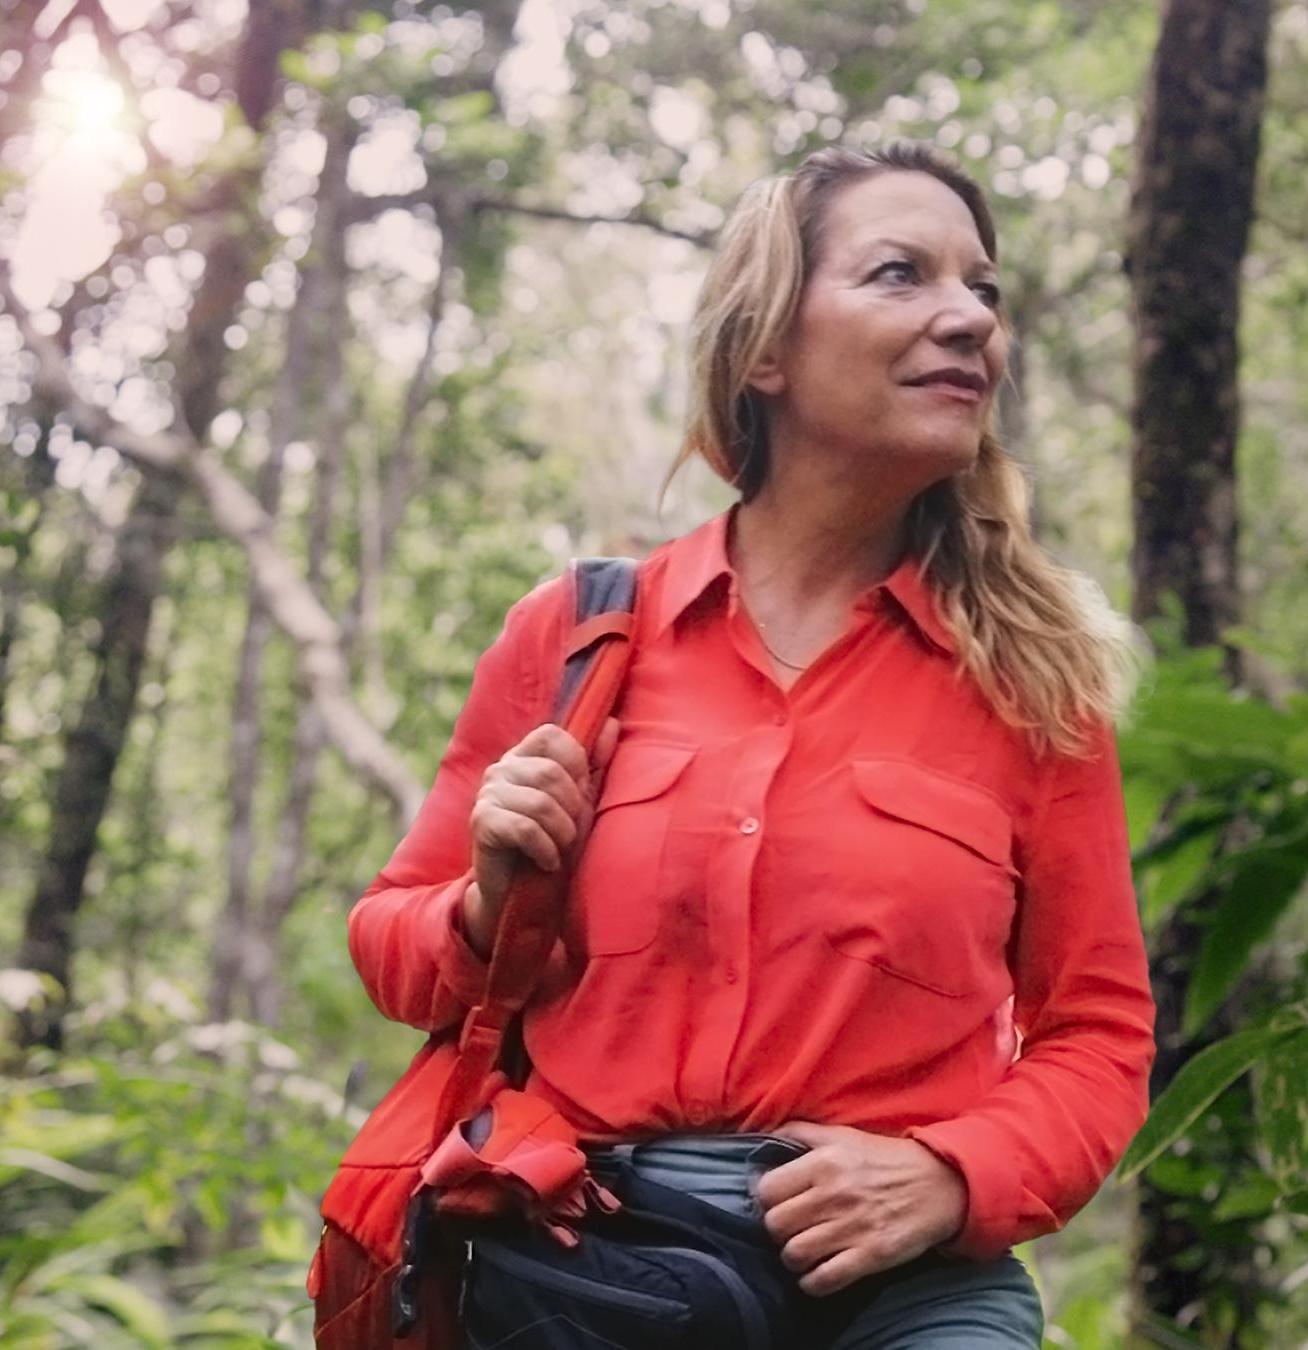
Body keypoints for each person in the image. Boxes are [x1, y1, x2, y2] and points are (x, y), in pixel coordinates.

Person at [345, 141, 1155, 1347]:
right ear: (765, 349)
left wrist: (955, 1175)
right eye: (902, 275)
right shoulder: (575, 636)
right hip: (597, 1260)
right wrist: (484, 901)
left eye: (981, 290)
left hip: (906, 1289)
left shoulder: (1036, 682)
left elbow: (1098, 1030)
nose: (969, 320)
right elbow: (388, 941)